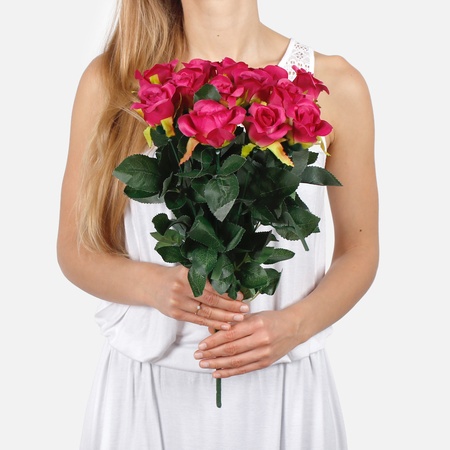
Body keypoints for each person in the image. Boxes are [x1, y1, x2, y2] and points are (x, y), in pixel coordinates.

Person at [57, 0, 378, 448]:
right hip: (148, 397)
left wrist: (294, 326)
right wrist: (154, 285)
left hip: (284, 393)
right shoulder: (115, 80)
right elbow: (75, 249)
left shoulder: (337, 84)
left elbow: (360, 251)